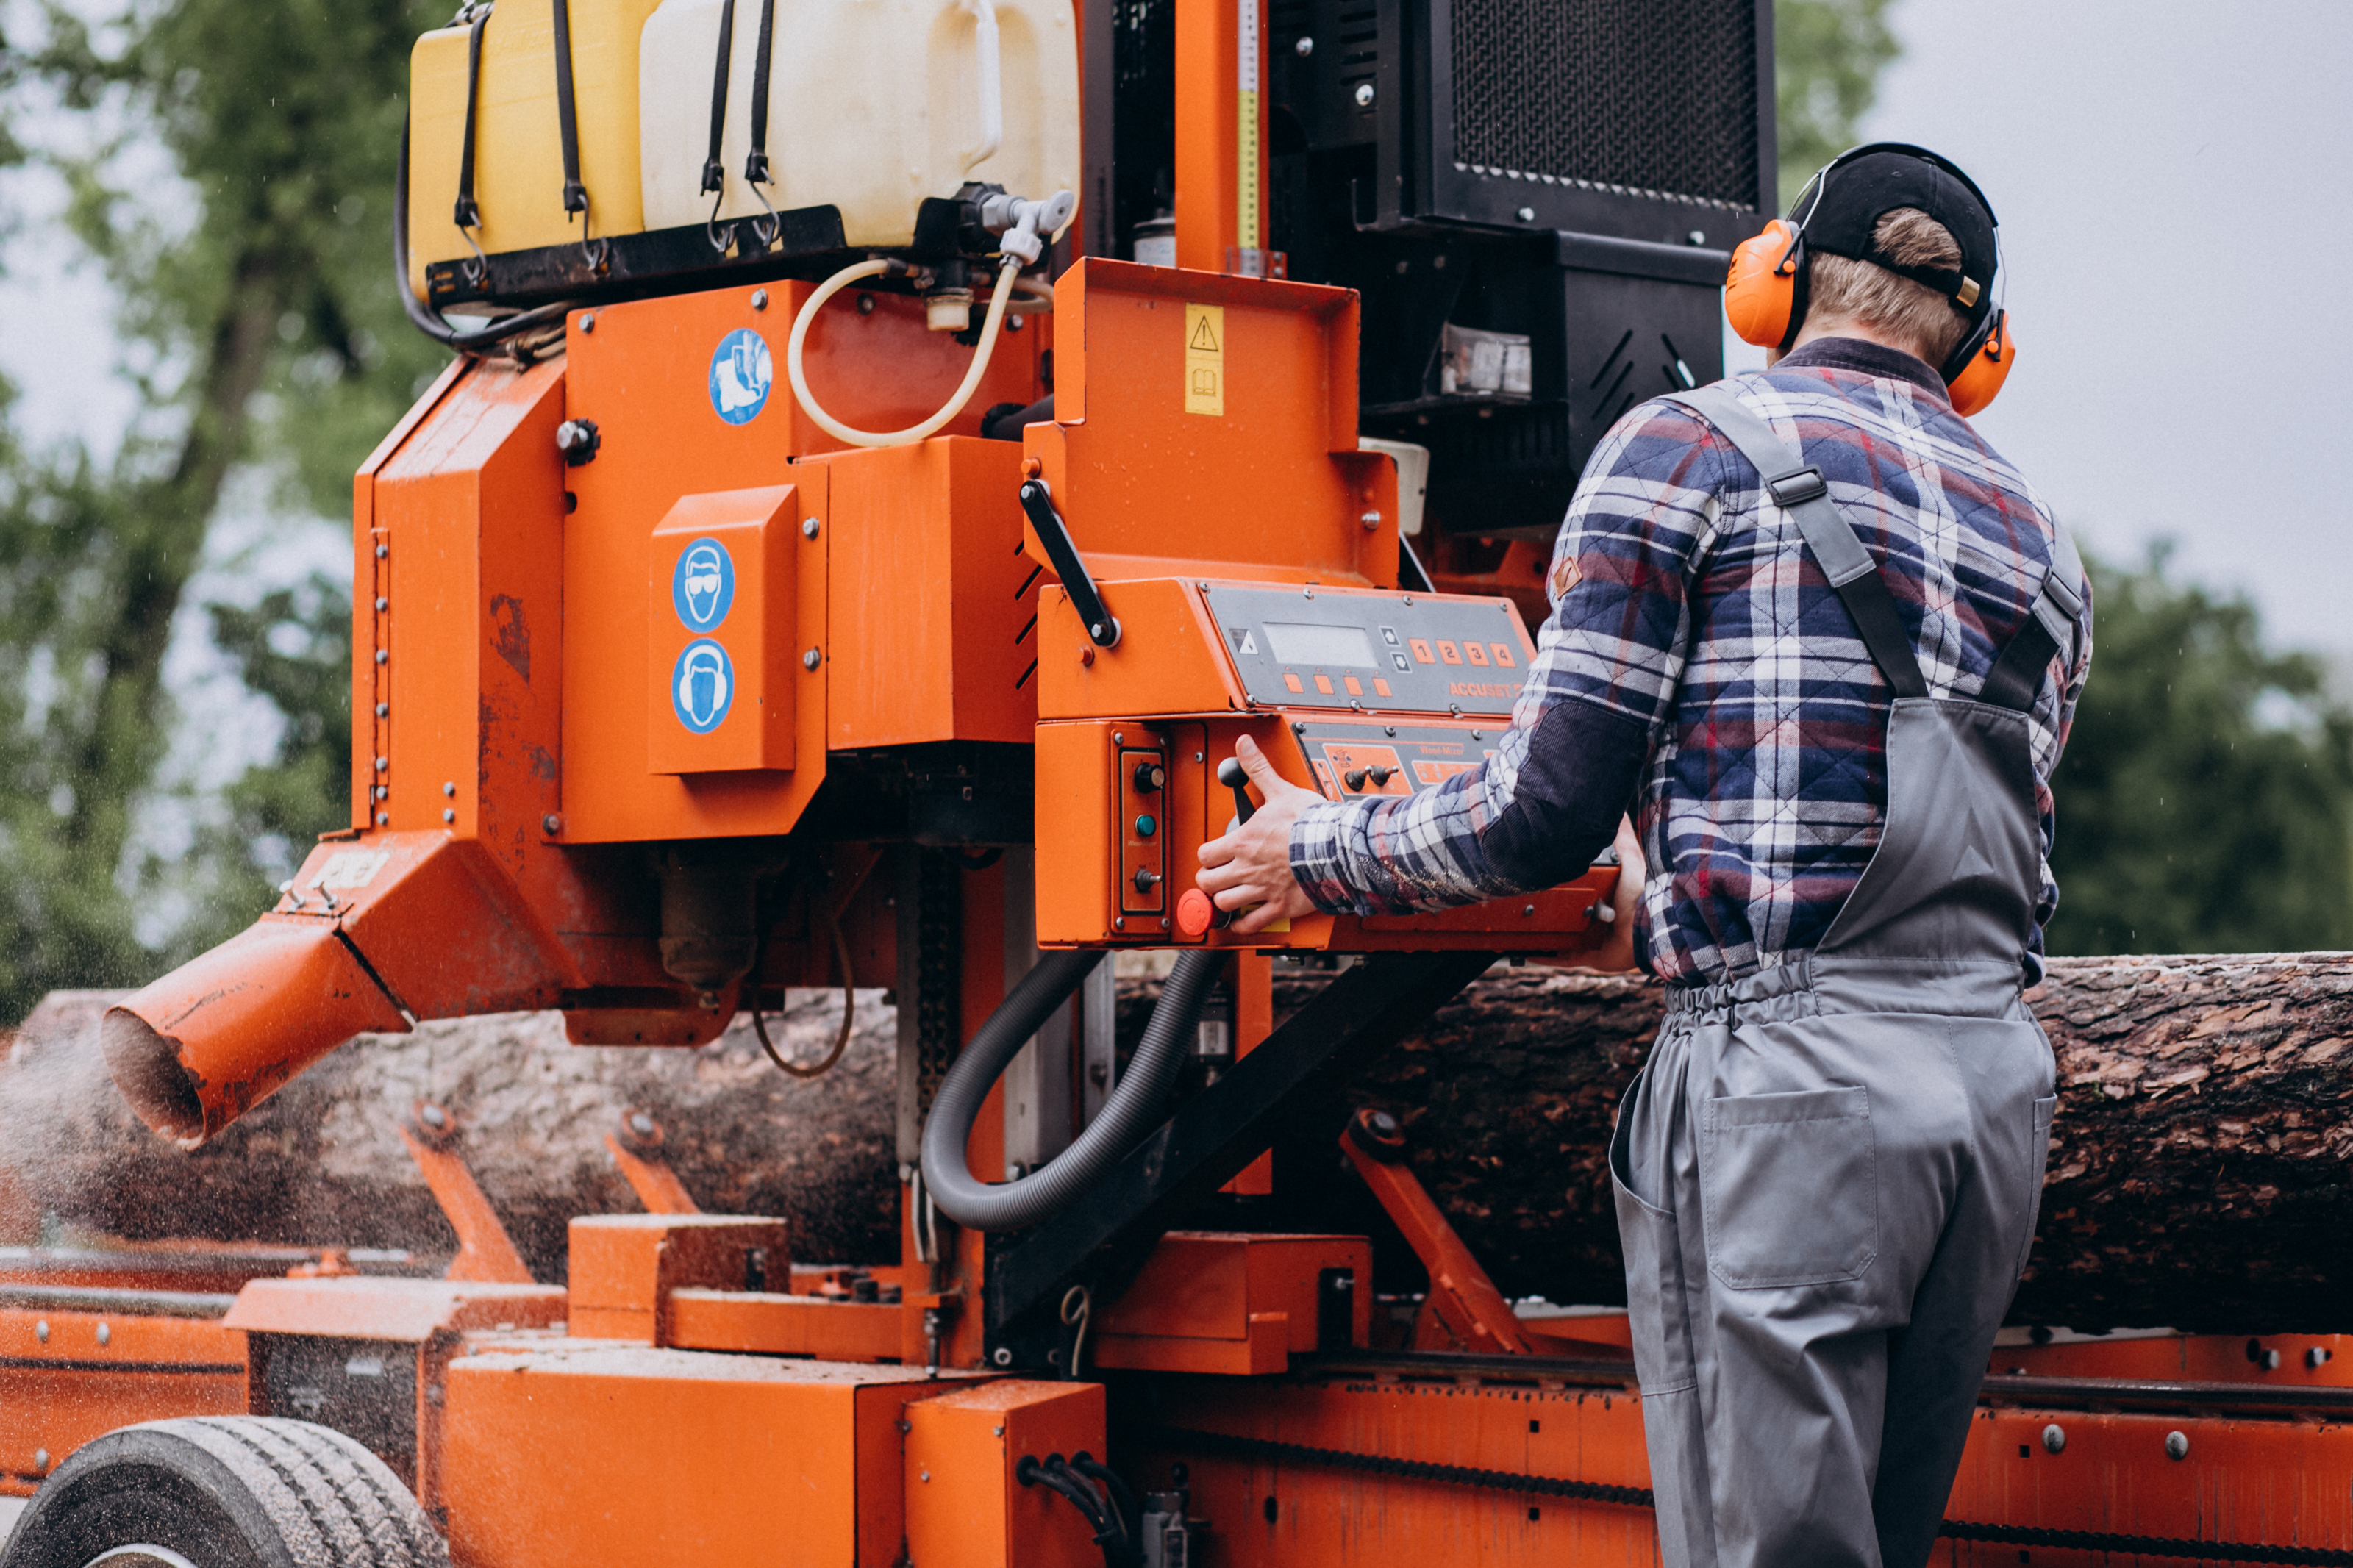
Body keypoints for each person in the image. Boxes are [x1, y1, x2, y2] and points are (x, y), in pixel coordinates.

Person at [1195, 143, 2093, 1568]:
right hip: (1991, 1098)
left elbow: (1532, 814)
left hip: (1790, 1090)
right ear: (1976, 346)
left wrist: (1320, 845)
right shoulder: (2041, 539)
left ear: (1774, 278)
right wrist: (1659, 878)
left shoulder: (1689, 445)